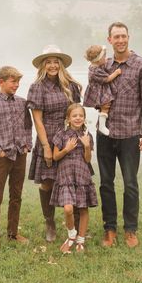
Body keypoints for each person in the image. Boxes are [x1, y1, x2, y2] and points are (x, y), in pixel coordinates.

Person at [97, 22, 142, 248]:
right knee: (106, 183)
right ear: (109, 40)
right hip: (105, 133)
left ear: (128, 37)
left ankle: (130, 229)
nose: (120, 40)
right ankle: (109, 228)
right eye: (116, 36)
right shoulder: (104, 65)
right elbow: (94, 93)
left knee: (130, 183)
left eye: (123, 36)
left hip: (130, 133)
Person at [27, 45, 82, 242]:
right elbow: (38, 120)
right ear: (43, 65)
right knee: (48, 182)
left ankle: (75, 223)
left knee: (73, 179)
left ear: (61, 64)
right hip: (48, 136)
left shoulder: (70, 85)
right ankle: (49, 222)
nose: (52, 65)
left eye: (55, 61)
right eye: (48, 61)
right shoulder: (37, 87)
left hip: (69, 137)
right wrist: (46, 147)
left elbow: (77, 112)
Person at [0, 66, 32, 252]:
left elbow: (28, 126)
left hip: (20, 155)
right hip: (2, 158)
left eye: (18, 82)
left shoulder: (22, 102)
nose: (16, 85)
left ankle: (12, 232)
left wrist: (27, 145)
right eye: (13, 81)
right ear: (1, 82)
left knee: (16, 196)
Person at [50, 103, 98, 253]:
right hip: (66, 176)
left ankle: (80, 240)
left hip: (82, 174)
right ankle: (71, 234)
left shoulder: (87, 136)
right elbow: (55, 156)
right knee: (68, 208)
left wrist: (86, 146)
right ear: (68, 118)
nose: (78, 118)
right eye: (74, 116)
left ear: (84, 118)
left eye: (81, 116)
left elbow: (88, 159)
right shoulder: (61, 134)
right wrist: (67, 149)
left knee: (83, 208)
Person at [83, 45, 121, 136]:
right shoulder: (95, 70)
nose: (105, 58)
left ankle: (101, 124)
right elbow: (107, 79)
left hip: (101, 89)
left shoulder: (96, 65)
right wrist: (116, 73)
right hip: (99, 92)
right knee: (105, 106)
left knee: (105, 106)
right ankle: (102, 126)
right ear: (98, 60)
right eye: (104, 57)